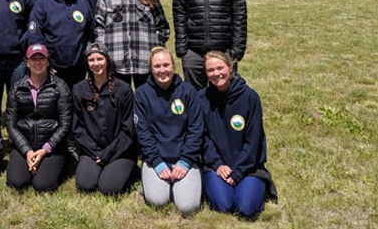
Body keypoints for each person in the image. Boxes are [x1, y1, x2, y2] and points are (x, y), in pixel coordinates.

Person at [201, 51, 277, 218]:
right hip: (217, 167)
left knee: (246, 209)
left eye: (220, 68)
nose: (216, 74)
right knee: (224, 205)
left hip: (248, 167)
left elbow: (254, 140)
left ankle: (254, 187)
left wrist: (238, 173)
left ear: (230, 67)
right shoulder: (202, 99)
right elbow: (203, 138)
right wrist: (217, 163)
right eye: (211, 70)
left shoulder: (250, 97)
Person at [134, 47, 203, 214]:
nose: (162, 70)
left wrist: (186, 160)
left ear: (174, 66)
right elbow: (143, 133)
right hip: (156, 159)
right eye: (157, 66)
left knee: (188, 207)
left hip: (184, 157)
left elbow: (196, 129)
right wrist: (156, 162)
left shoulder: (188, 91)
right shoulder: (142, 94)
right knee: (158, 202)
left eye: (166, 65)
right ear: (150, 69)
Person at [95, 0, 170, 89]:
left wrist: (155, 49)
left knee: (146, 103)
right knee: (120, 104)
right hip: (116, 61)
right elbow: (98, 26)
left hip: (144, 62)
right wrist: (103, 49)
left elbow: (162, 26)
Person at [71, 43, 137, 195]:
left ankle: (130, 170)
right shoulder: (79, 90)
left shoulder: (123, 89)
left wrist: (108, 153)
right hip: (92, 151)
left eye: (99, 59)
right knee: (85, 184)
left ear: (107, 60)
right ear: (87, 63)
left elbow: (128, 130)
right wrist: (95, 152)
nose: (96, 64)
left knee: (109, 188)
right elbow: (77, 128)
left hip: (120, 150)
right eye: (91, 60)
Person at [5, 44, 72, 192]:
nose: (37, 62)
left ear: (48, 61)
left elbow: (65, 124)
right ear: (26, 62)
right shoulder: (17, 87)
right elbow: (11, 124)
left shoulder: (60, 86)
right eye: (33, 59)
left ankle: (63, 162)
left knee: (42, 185)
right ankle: (32, 163)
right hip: (25, 144)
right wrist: (27, 151)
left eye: (41, 58)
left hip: (51, 147)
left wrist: (45, 149)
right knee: (17, 182)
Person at [27, 0, 94, 90]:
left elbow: (90, 31)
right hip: (54, 67)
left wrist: (87, 55)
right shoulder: (42, 3)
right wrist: (44, 61)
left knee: (76, 102)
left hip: (78, 66)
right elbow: (35, 35)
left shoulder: (82, 2)